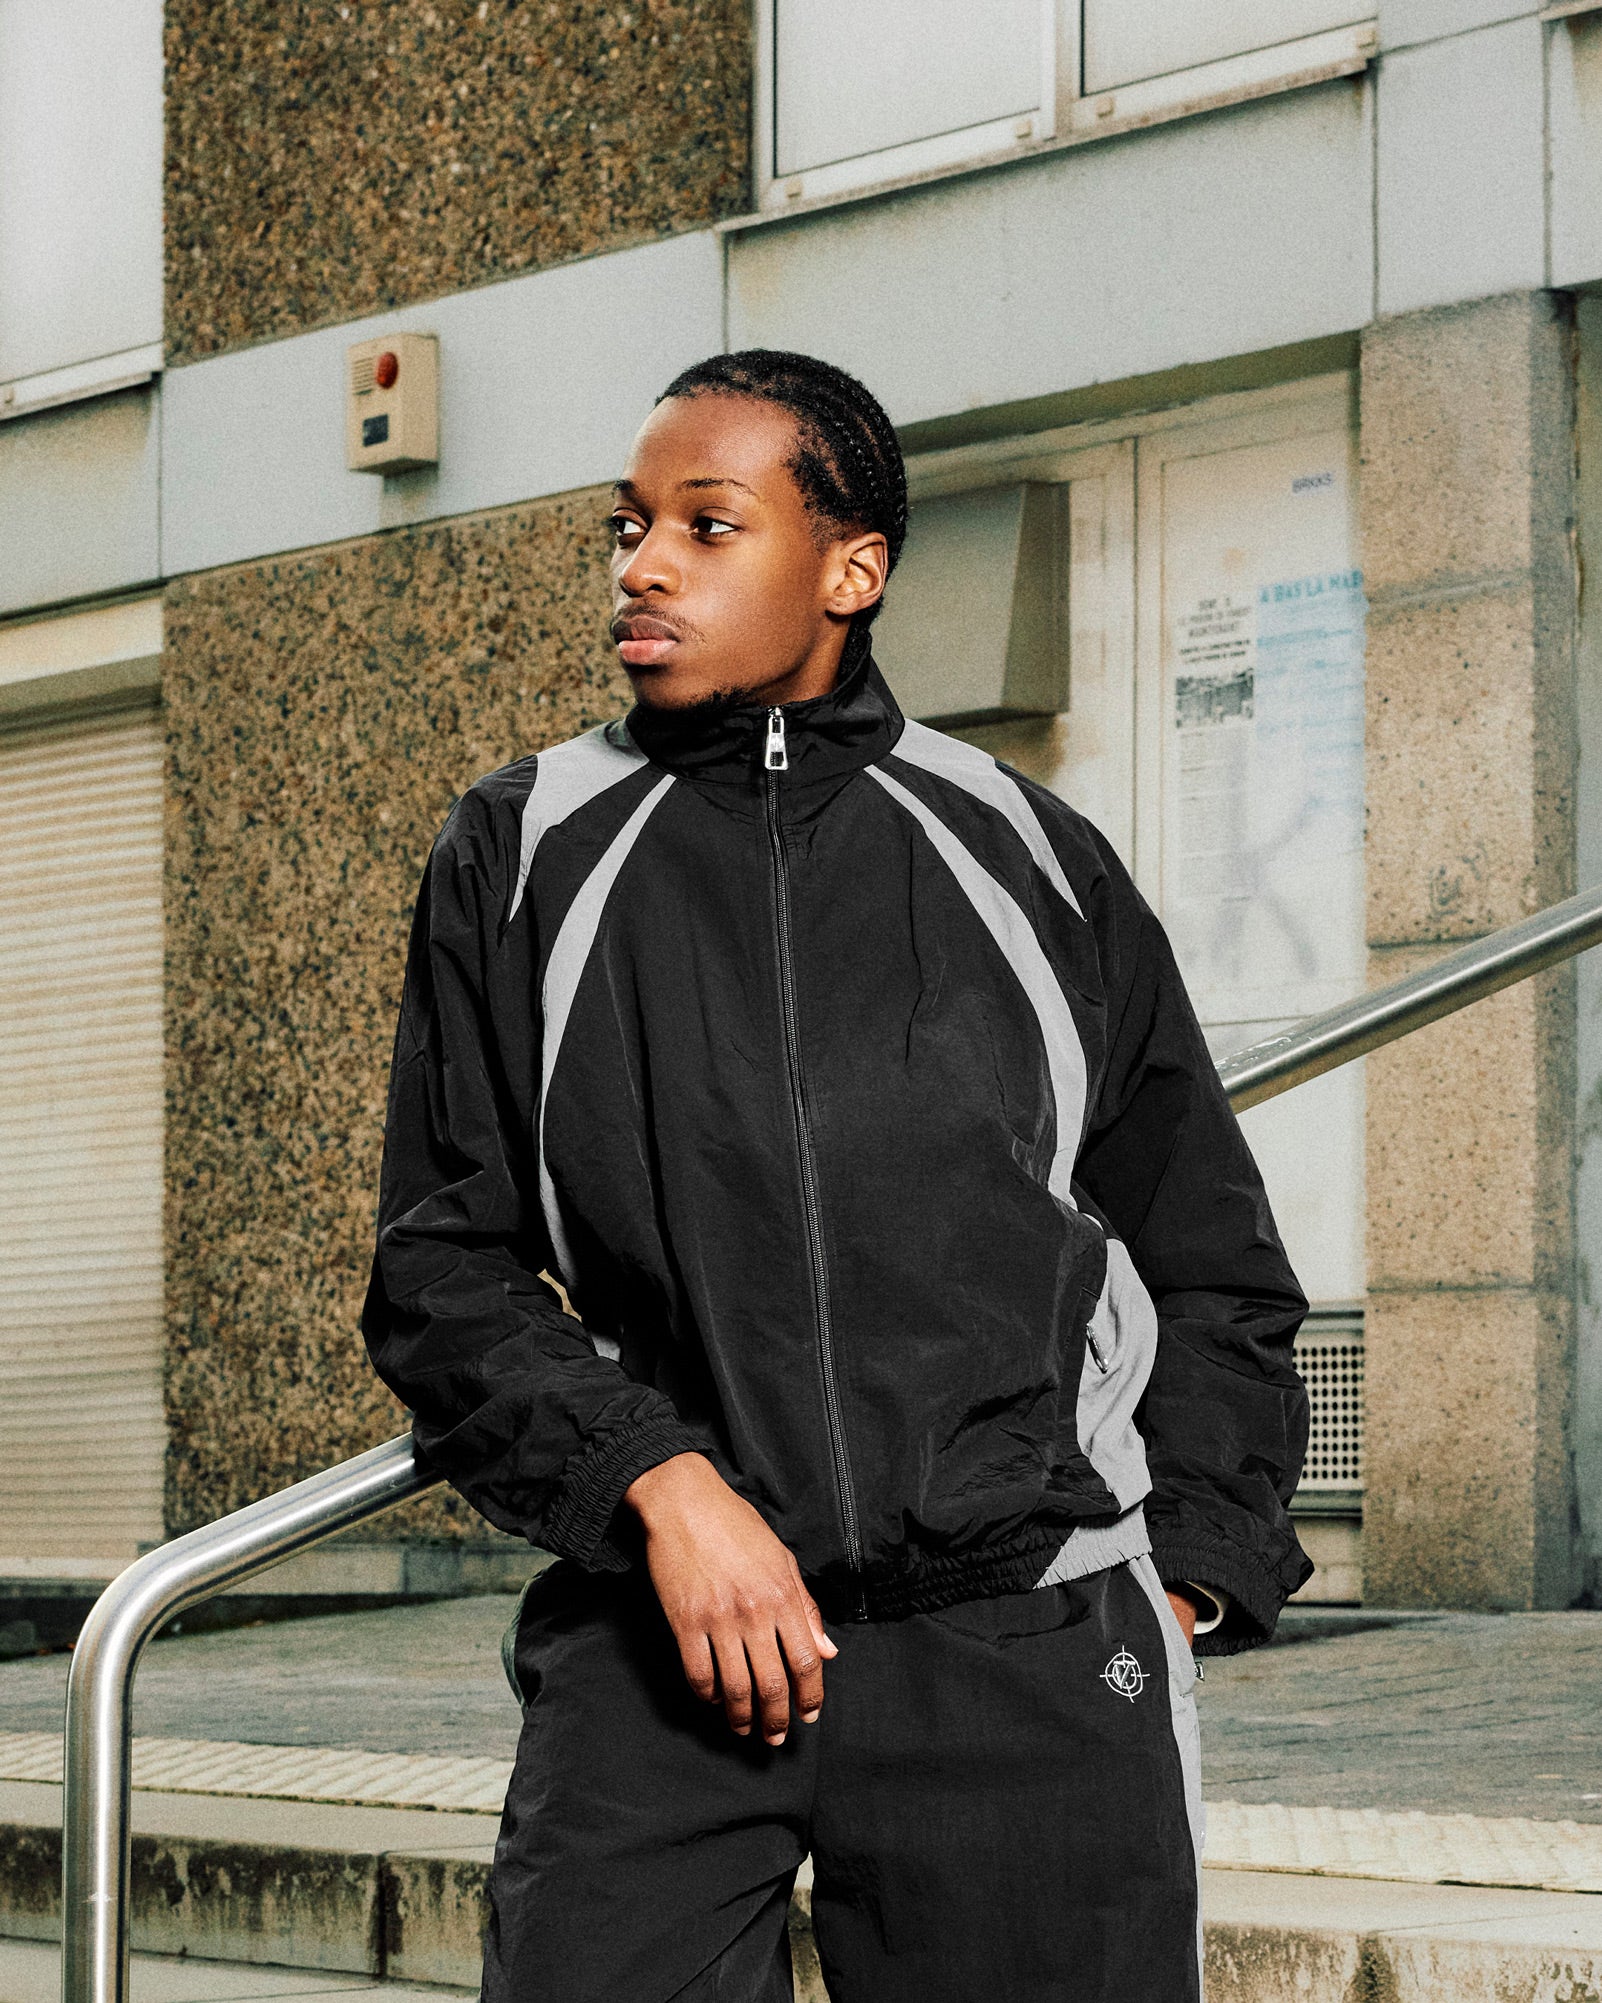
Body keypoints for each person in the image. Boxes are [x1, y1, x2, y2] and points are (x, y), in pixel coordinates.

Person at [362, 349, 1312, 2003]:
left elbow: (1205, 1247)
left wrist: (1190, 1573)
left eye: (705, 526)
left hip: (1022, 1644)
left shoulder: (1023, 849)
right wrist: (662, 1486)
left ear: (848, 571)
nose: (641, 567)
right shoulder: (520, 852)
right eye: (627, 528)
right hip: (665, 1646)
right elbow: (442, 1263)